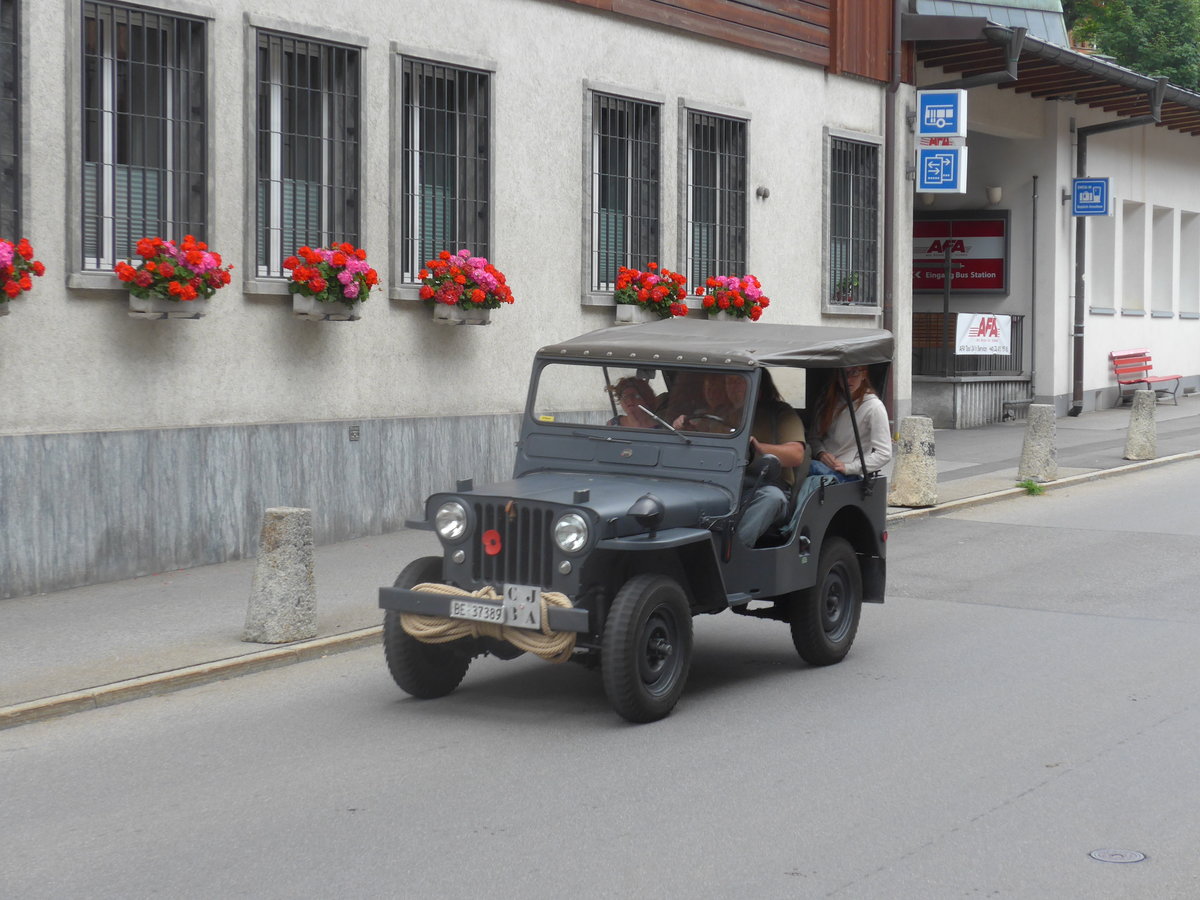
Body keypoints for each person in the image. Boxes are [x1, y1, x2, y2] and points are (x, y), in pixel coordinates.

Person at [736, 370, 807, 548]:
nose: (731, 388)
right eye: (728, 383)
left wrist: (759, 448)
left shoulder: (780, 413)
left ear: (758, 387)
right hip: (728, 484)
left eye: (738, 382)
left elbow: (796, 454)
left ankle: (736, 552)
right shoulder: (721, 411)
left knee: (771, 498)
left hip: (766, 485)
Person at [808, 366, 891, 482]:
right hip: (821, 467)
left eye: (854, 373)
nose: (848, 380)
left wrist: (848, 468)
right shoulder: (827, 401)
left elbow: (884, 453)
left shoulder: (874, 407)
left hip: (849, 476)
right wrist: (821, 453)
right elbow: (813, 438)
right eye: (843, 374)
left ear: (864, 375)